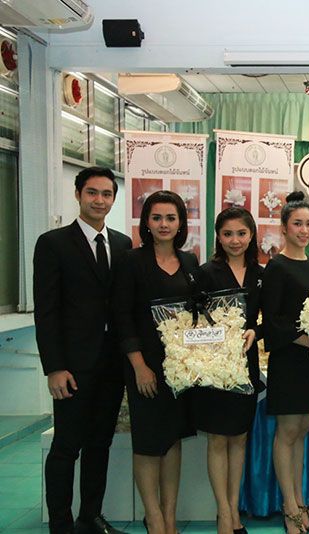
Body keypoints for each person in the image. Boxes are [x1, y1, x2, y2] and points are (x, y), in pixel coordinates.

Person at [34, 167, 132, 534]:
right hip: (72, 367)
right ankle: (60, 524)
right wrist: (54, 367)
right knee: (66, 446)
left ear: (114, 198)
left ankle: (90, 516)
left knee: (100, 443)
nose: (99, 200)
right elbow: (46, 311)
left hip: (112, 364)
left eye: (106, 194)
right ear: (78, 195)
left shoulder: (122, 244)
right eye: (92, 193)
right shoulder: (53, 243)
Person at [114, 191, 200, 534]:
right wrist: (139, 365)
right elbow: (122, 316)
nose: (164, 224)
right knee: (149, 443)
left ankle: (169, 515)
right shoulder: (130, 261)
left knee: (173, 439)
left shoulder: (190, 262)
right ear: (146, 222)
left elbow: (198, 314)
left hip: (180, 368)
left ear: (181, 224)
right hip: (145, 367)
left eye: (171, 218)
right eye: (157, 217)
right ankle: (153, 517)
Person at [261, 191, 309, 534]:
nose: (304, 230)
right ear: (284, 228)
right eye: (297, 224)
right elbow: (273, 321)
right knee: (287, 433)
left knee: (302, 433)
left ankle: (300, 503)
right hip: (289, 360)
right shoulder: (276, 267)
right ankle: (289, 508)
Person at [193, 207, 263, 534]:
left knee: (240, 438)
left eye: (241, 233)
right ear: (218, 238)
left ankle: (234, 509)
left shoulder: (261, 274)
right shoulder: (205, 273)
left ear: (251, 235)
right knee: (218, 439)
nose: (235, 240)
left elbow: (267, 319)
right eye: (228, 234)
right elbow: (191, 321)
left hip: (245, 366)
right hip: (214, 367)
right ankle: (223, 513)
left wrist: (255, 332)